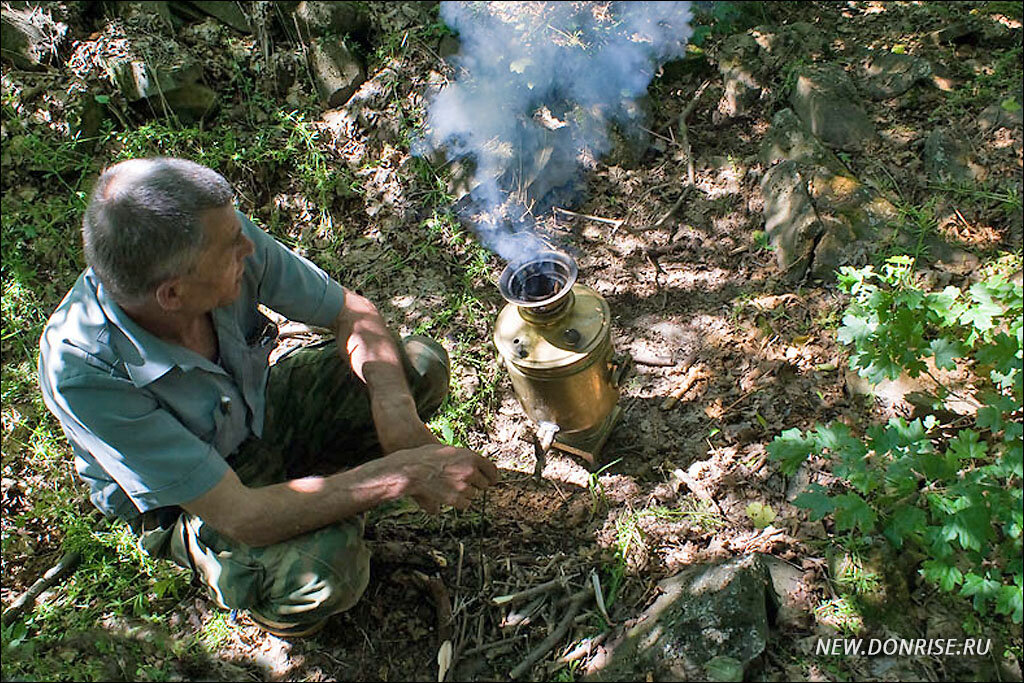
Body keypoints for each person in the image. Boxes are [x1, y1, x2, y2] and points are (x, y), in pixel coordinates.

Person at [38, 157, 499, 637]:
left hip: (255, 414)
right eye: (231, 247)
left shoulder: (218, 238)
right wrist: (400, 473)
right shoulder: (85, 370)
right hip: (192, 498)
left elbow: (352, 312)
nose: (248, 245)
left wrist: (397, 419)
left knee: (414, 367)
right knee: (326, 573)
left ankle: (319, 489)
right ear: (173, 295)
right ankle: (266, 598)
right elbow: (242, 515)